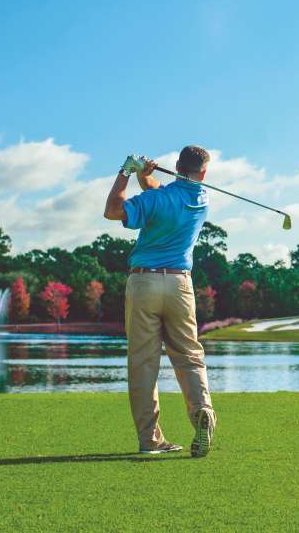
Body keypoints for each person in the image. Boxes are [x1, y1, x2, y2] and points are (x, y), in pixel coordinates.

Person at [103, 145, 216, 457]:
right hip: (180, 284)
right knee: (189, 356)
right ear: (203, 173)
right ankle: (201, 413)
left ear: (177, 166)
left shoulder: (157, 199)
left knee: (143, 364)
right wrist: (146, 176)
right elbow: (163, 196)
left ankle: (150, 440)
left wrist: (126, 172)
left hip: (144, 282)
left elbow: (114, 210)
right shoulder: (202, 199)